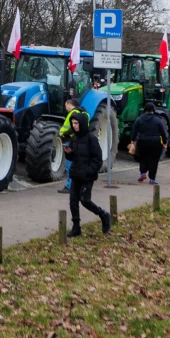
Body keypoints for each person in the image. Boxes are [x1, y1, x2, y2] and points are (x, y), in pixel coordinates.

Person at [63, 109, 112, 237]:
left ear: (82, 124)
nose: (74, 126)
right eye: (73, 123)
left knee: (85, 200)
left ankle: (103, 215)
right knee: (73, 202)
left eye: (76, 123)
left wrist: (89, 171)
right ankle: (76, 227)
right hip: (76, 174)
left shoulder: (91, 139)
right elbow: (73, 157)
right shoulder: (74, 139)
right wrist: (68, 153)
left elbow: (98, 159)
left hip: (87, 176)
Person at [129, 103, 168, 184]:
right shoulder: (158, 120)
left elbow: (134, 130)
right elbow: (163, 132)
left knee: (143, 158)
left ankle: (143, 173)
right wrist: (165, 142)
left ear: (144, 110)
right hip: (155, 143)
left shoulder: (139, 119)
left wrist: (133, 140)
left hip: (142, 141)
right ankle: (152, 178)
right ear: (154, 110)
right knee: (153, 160)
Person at [59, 94, 79, 191]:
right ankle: (74, 186)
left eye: (65, 105)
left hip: (69, 140)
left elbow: (71, 128)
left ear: (69, 104)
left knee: (69, 165)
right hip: (75, 140)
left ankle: (69, 186)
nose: (65, 108)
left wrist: (63, 134)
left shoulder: (72, 114)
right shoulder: (82, 113)